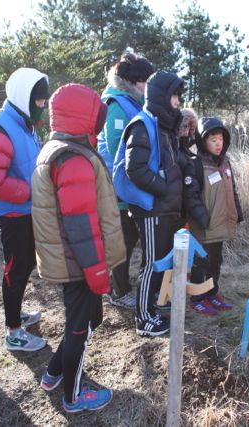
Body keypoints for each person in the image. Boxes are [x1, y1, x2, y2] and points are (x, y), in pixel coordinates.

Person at [32, 83, 125, 412]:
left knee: (85, 320)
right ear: (84, 117)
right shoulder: (72, 158)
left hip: (72, 259)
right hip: (79, 262)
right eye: (96, 116)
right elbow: (81, 225)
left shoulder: (62, 149)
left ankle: (53, 373)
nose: (100, 122)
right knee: (80, 328)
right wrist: (97, 271)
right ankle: (73, 397)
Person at [0, 68, 49, 351]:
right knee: (15, 269)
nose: (43, 104)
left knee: (26, 264)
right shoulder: (0, 128)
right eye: (39, 99)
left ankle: (16, 313)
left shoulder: (24, 122)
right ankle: (14, 332)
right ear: (24, 97)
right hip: (12, 213)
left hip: (27, 210)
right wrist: (32, 191)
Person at [115, 70, 185, 337]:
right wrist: (164, 190)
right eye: (174, 96)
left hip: (163, 207)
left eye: (178, 96)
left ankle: (152, 309)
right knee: (151, 263)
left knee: (159, 262)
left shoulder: (163, 126)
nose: (177, 101)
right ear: (161, 96)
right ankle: (143, 319)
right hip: (151, 208)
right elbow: (135, 168)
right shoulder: (143, 124)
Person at [98, 51, 155, 310]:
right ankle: (117, 290)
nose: (147, 87)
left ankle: (120, 284)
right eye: (145, 82)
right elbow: (115, 147)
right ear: (132, 82)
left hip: (130, 183)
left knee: (129, 236)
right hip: (117, 184)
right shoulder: (116, 104)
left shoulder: (133, 101)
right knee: (121, 238)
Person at [188, 117, 243, 315]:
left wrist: (237, 212)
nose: (218, 143)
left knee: (215, 262)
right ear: (203, 142)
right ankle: (197, 298)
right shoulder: (195, 164)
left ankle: (211, 293)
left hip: (220, 225)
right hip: (203, 227)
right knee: (200, 264)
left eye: (221, 139)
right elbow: (191, 196)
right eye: (213, 140)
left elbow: (232, 190)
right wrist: (202, 218)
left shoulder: (225, 162)